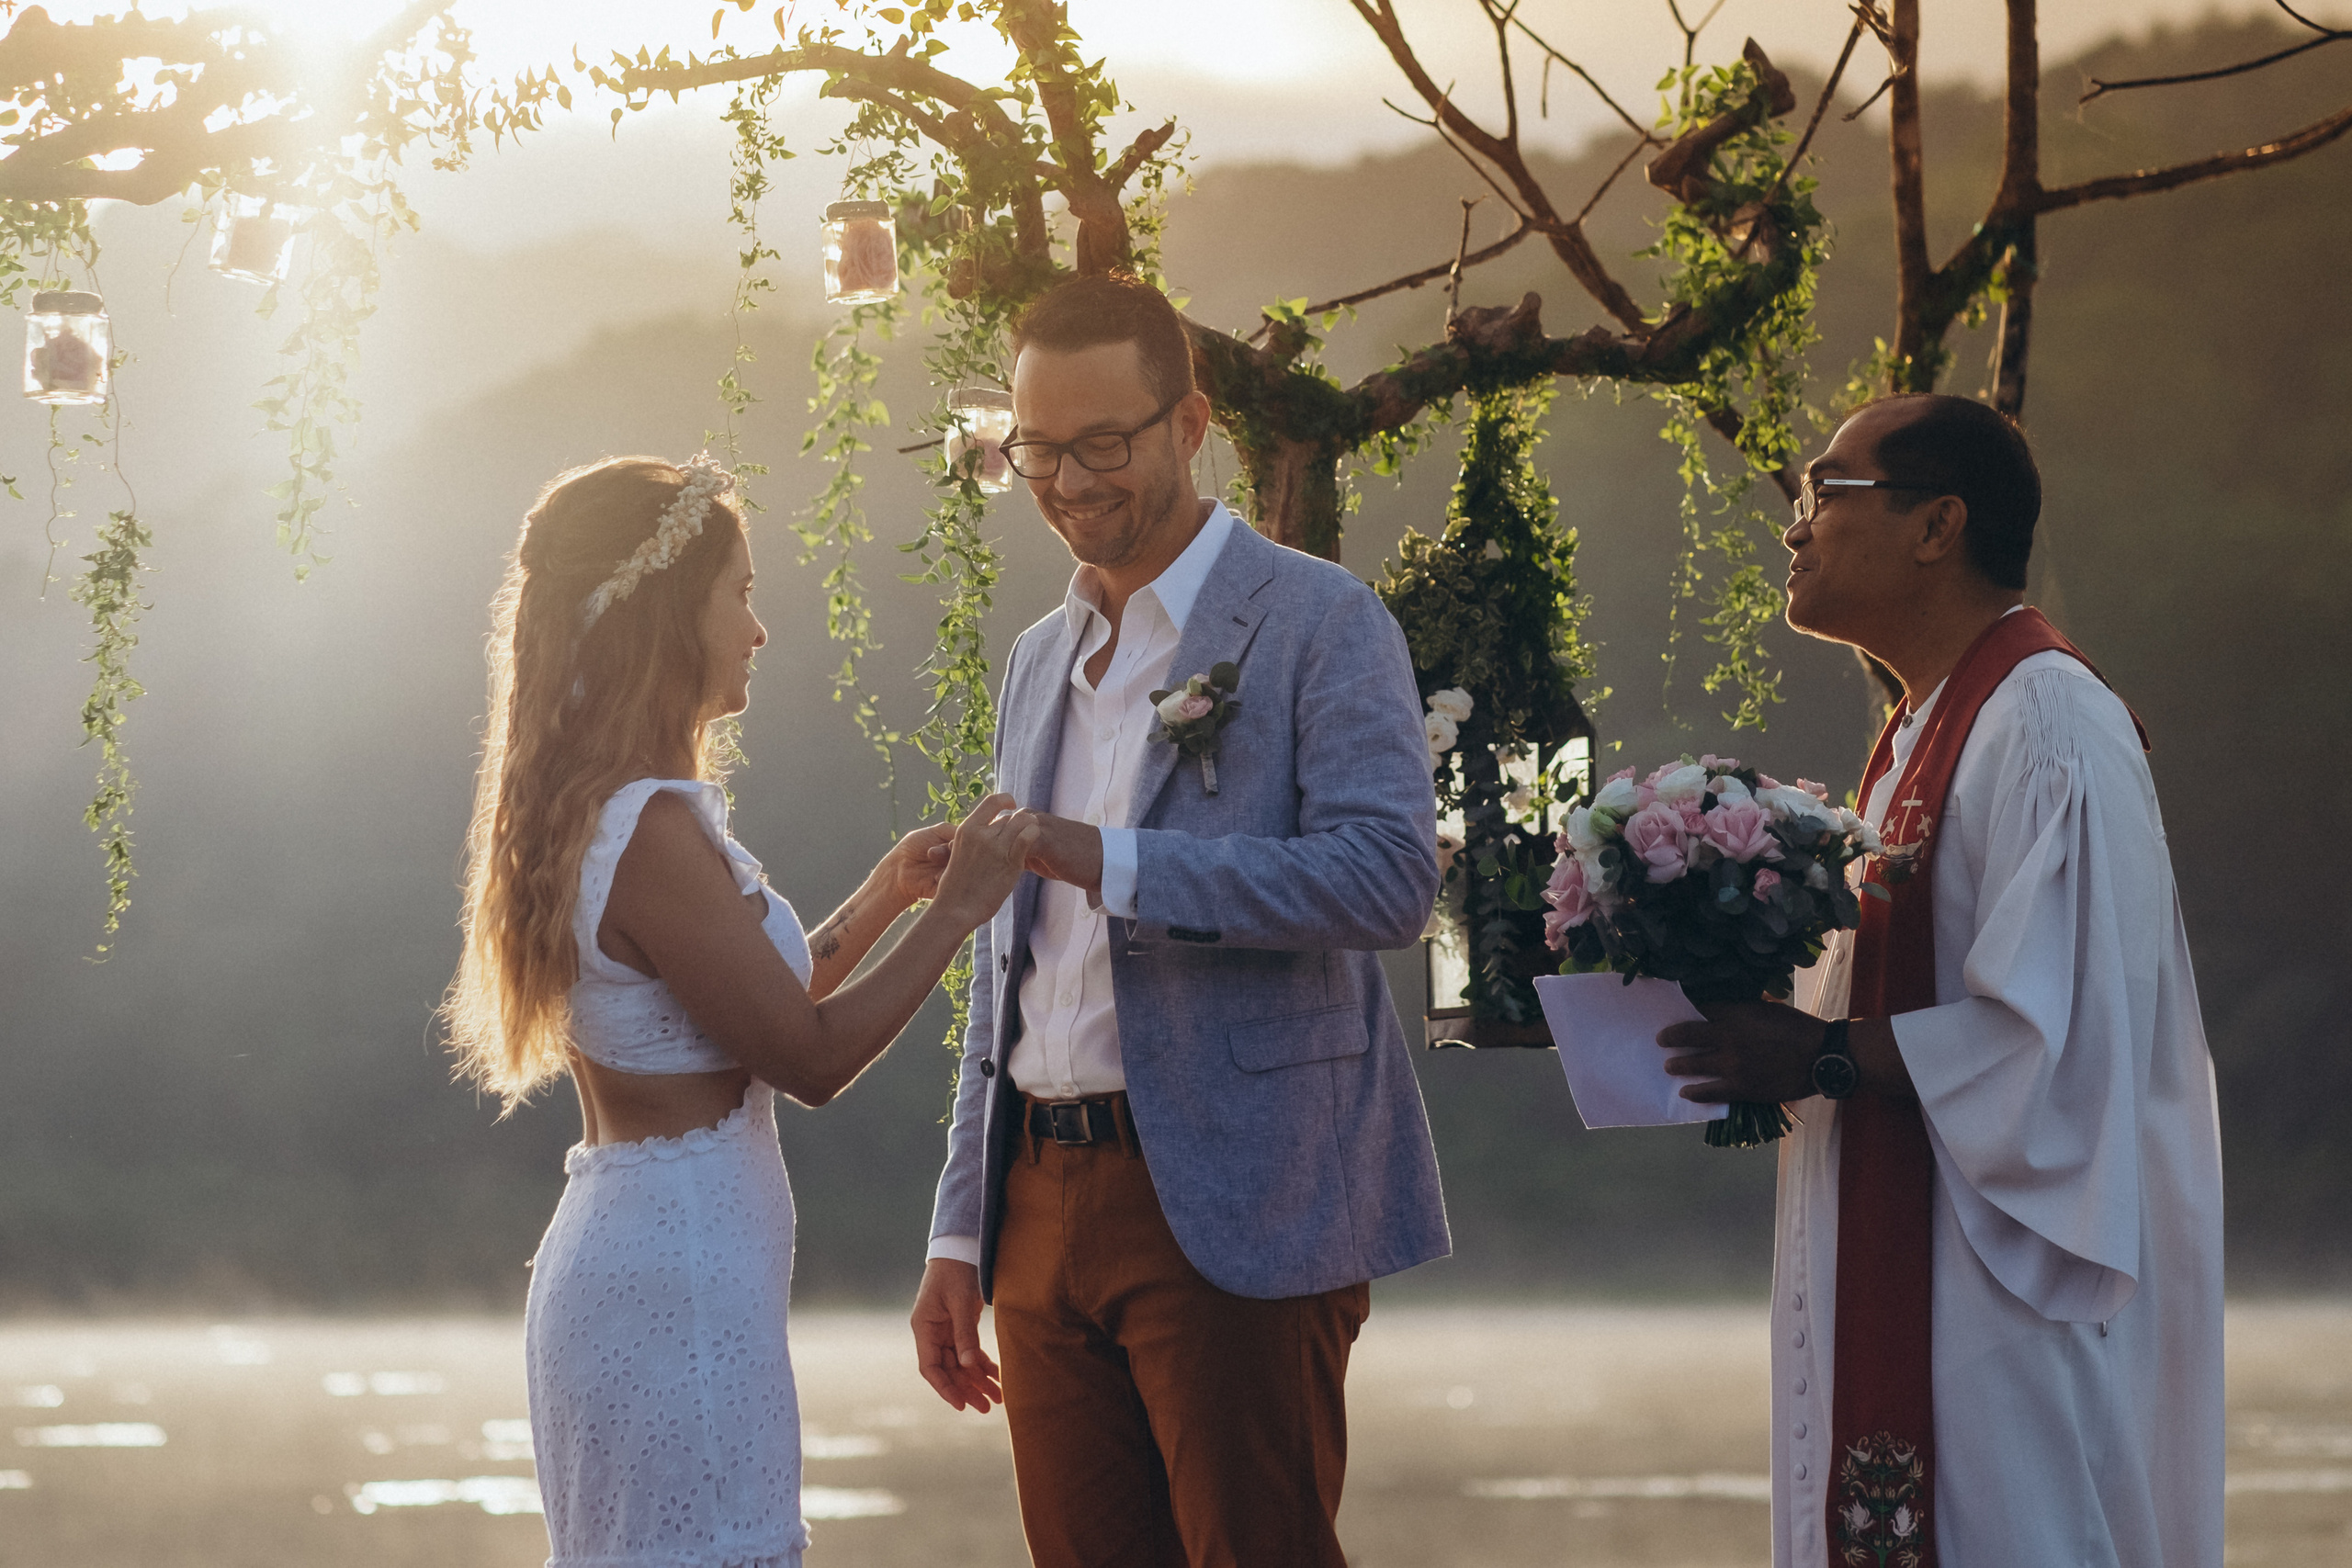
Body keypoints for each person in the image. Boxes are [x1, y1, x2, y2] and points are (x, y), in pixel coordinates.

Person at [908, 273, 1449, 1568]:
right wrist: (956, 1229)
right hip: (1035, 1199)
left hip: (1240, 1187)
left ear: (1191, 421)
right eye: (1036, 446)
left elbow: (1386, 878)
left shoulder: (1323, 617)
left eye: (1103, 442)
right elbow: (1007, 961)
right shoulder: (1040, 652)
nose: (1067, 478)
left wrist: (1115, 858)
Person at [442, 454, 1038, 1568]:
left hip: (651, 1263)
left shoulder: (611, 810)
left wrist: (883, 896)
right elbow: (806, 1058)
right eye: (742, 594)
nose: (758, 630)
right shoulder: (650, 829)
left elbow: (746, 1008)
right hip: (674, 1283)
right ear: (672, 614)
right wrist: (957, 913)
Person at [1658, 394, 2223, 1566]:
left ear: (1936, 526)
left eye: (1825, 491)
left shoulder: (2050, 721)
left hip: (2001, 1292)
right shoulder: (1916, 735)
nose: (1793, 525)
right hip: (1898, 1260)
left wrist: (1813, 1055)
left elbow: (2062, 1041)